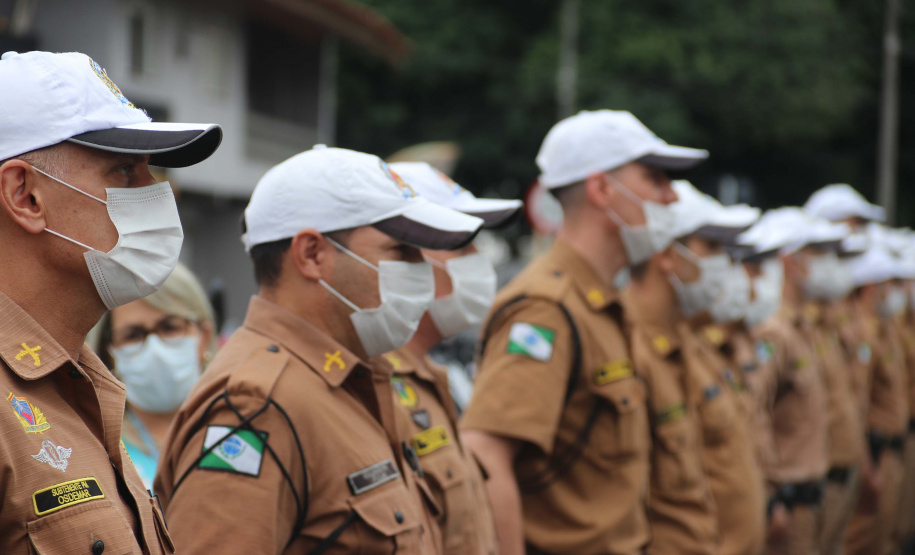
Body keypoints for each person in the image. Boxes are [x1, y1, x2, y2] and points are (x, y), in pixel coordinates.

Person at [155, 146, 485, 553]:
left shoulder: (355, 376)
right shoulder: (257, 403)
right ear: (312, 255)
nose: (422, 269)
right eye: (401, 250)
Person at [0, 50, 221, 553]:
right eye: (124, 170)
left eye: (150, 169)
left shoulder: (82, 383)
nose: (156, 192)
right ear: (26, 196)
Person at [461, 109, 708, 555]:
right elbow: (486, 456)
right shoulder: (545, 310)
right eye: (655, 179)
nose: (672, 197)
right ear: (601, 190)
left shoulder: (603, 306)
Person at [382, 161, 522, 555]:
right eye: (461, 242)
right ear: (404, 252)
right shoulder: (373, 381)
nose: (477, 258)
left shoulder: (429, 372)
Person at [663, 182, 767, 555]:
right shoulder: (649, 349)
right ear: (667, 254)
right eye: (711, 246)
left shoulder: (697, 346)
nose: (724, 263)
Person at [738, 208, 832, 555]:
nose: (825, 264)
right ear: (791, 261)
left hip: (810, 495)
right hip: (788, 501)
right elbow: (756, 411)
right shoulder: (774, 331)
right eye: (816, 254)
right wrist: (772, 493)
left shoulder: (800, 325)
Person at [93, 262, 217, 489]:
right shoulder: (97, 446)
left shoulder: (240, 426)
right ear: (109, 353)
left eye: (170, 328)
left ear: (203, 338)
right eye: (133, 335)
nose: (155, 349)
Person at [843, 242, 910, 555]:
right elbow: (859, 403)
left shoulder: (883, 330)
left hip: (892, 449)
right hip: (875, 452)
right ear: (871, 286)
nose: (892, 291)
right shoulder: (864, 334)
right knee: (862, 541)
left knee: (887, 540)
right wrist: (867, 463)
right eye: (887, 284)